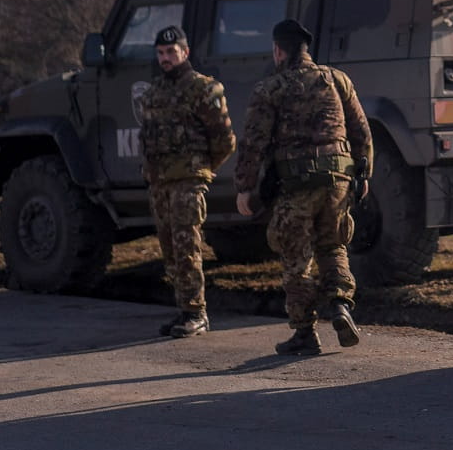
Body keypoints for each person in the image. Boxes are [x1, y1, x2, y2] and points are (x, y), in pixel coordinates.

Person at [235, 18, 373, 355]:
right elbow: (360, 131)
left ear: (278, 51)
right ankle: (341, 304)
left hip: (295, 184)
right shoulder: (338, 80)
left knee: (297, 258)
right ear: (305, 50)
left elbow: (253, 142)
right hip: (338, 180)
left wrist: (245, 187)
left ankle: (304, 332)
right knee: (333, 246)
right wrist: (363, 173)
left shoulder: (270, 89)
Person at [138, 25, 234, 339]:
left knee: (187, 246)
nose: (166, 58)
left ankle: (196, 312)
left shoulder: (203, 89)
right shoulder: (152, 93)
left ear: (185, 51)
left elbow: (224, 139)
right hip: (160, 182)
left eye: (171, 52)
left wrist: (201, 170)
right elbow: (148, 139)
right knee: (169, 248)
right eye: (161, 53)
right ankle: (184, 308)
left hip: (188, 181)